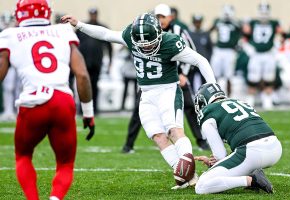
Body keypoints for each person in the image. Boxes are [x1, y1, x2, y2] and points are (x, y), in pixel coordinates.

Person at [61, 12, 216, 188]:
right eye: (142, 45)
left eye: (150, 44)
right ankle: (187, 176)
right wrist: (79, 24)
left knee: (174, 130)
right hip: (146, 93)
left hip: (168, 90)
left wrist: (213, 86)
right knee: (157, 136)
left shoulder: (171, 42)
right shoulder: (130, 35)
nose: (146, 48)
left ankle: (188, 167)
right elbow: (106, 34)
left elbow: (200, 61)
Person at [0, 0, 95, 199]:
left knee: (23, 156)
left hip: (33, 102)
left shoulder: (10, 35)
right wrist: (88, 113)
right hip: (62, 100)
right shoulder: (63, 31)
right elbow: (83, 75)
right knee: (65, 163)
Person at [193, 83, 282, 194]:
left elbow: (220, 155)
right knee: (241, 154)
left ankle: (252, 180)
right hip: (275, 147)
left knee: (201, 186)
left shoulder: (207, 112)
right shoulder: (240, 102)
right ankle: (252, 173)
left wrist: (214, 163)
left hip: (252, 152)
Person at [154, 3, 210, 150]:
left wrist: (183, 73)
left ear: (171, 17)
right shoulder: (150, 31)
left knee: (190, 107)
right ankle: (128, 144)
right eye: (157, 17)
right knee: (142, 109)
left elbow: (192, 52)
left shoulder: (179, 30)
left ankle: (201, 140)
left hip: (177, 76)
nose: (160, 20)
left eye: (163, 17)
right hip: (155, 78)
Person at [242, 2, 284, 109]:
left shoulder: (275, 23)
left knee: (269, 79)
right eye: (262, 12)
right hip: (256, 55)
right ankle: (250, 101)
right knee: (253, 79)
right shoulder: (252, 22)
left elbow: (283, 35)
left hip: (269, 54)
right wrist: (247, 47)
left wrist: (277, 46)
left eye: (266, 12)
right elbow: (244, 35)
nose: (264, 14)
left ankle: (267, 101)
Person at [76, 8, 113, 114]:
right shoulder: (82, 27)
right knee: (82, 84)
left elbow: (109, 46)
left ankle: (95, 108)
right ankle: (81, 109)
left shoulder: (102, 28)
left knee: (95, 85)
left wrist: (110, 61)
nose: (93, 16)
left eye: (95, 14)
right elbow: (74, 44)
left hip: (96, 61)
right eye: (92, 14)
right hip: (83, 61)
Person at [209, 4, 241, 97]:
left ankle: (229, 96)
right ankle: (215, 95)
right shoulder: (218, 21)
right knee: (215, 74)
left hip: (230, 51)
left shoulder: (236, 23)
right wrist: (212, 43)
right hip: (218, 50)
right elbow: (209, 31)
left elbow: (243, 33)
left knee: (229, 76)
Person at [189, 14, 213, 93]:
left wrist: (208, 59)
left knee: (205, 81)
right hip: (192, 63)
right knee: (191, 81)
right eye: (196, 22)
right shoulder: (190, 34)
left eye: (199, 22)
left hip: (203, 61)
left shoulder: (205, 34)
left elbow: (210, 48)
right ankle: (192, 97)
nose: (197, 24)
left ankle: (205, 95)